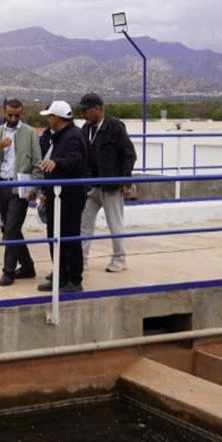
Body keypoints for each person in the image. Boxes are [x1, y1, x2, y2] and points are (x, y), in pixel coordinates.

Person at [0, 99, 43, 286]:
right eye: (10, 115)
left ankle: (8, 272)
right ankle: (27, 266)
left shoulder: (30, 133)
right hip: (1, 186)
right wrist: (0, 147)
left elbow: (37, 164)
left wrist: (34, 188)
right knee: (12, 229)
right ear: (4, 112)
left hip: (20, 188)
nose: (14, 118)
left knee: (10, 229)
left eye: (17, 115)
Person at [78, 93, 137, 273]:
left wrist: (124, 180)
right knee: (84, 225)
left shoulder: (115, 127)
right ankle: (81, 260)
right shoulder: (86, 128)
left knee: (115, 224)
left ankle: (119, 260)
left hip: (111, 185)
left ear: (98, 109)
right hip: (91, 186)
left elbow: (129, 154)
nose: (83, 114)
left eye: (86, 110)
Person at [36, 100, 89, 294]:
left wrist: (56, 163)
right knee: (56, 237)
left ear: (56, 118)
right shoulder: (60, 136)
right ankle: (61, 276)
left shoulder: (72, 137)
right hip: (57, 195)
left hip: (69, 197)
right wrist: (46, 192)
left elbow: (75, 161)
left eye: (50, 116)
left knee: (69, 239)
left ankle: (74, 281)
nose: (49, 120)